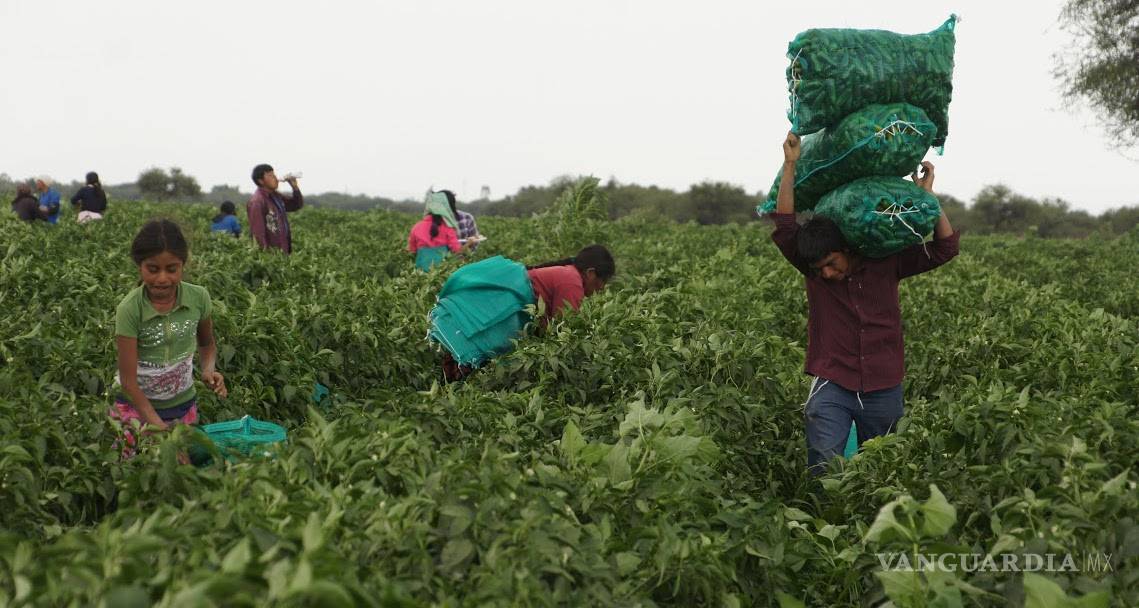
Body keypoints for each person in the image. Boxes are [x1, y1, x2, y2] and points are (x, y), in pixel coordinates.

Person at [770, 131, 959, 475]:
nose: (826, 273)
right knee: (823, 464)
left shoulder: (886, 261)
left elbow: (945, 248)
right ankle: (824, 508)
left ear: (846, 248)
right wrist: (790, 164)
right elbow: (784, 226)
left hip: (884, 384)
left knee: (880, 470)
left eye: (831, 263)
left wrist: (927, 200)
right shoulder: (814, 270)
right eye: (820, 269)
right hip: (833, 380)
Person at [111, 219, 227, 455]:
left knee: (179, 469)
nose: (162, 278)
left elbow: (207, 344)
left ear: (183, 265)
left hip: (182, 407)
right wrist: (158, 427)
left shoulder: (198, 298)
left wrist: (208, 370)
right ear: (140, 266)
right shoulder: (130, 309)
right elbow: (128, 382)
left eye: (171, 269)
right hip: (136, 411)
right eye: (153, 269)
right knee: (136, 469)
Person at [434, 244, 615, 382]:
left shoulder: (567, 274)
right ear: (591, 273)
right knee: (482, 347)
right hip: (509, 305)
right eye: (603, 281)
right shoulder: (572, 282)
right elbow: (562, 333)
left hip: (507, 302)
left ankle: (449, 383)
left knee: (472, 345)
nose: (602, 288)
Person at [408, 191, 470, 271]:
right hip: (441, 272)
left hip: (420, 272)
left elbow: (412, 251)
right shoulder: (448, 228)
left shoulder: (416, 227)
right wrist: (469, 243)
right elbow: (457, 251)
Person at [247, 164, 302, 253]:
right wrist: (265, 255)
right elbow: (258, 233)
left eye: (274, 174)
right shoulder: (257, 202)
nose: (275, 178)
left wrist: (295, 187)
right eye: (270, 175)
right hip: (272, 255)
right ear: (261, 181)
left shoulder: (275, 196)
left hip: (283, 251)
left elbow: (296, 205)